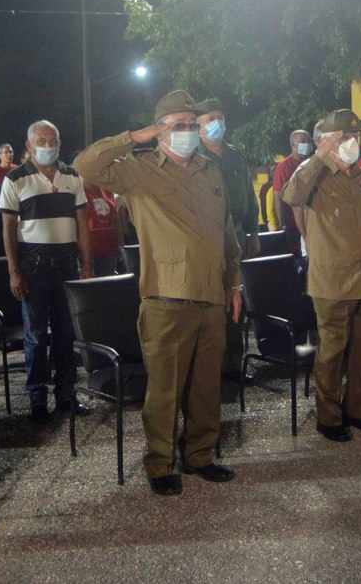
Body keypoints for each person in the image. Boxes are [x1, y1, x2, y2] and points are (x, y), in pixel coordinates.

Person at [75, 90, 242, 496]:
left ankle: (200, 454)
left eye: (191, 124)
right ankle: (160, 462)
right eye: (177, 125)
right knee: (165, 389)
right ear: (160, 129)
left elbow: (227, 233)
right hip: (166, 298)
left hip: (211, 294)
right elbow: (85, 164)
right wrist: (135, 136)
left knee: (206, 385)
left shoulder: (210, 169)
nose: (187, 131)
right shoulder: (139, 170)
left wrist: (232, 282)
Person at [282, 109, 361, 442]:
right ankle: (328, 417)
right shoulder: (312, 173)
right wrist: (320, 156)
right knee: (331, 354)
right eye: (344, 137)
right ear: (326, 141)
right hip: (332, 281)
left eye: (355, 136)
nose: (352, 142)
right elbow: (291, 195)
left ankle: (357, 410)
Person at [0, 120, 93, 421]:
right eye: (41, 141)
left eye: (52, 140)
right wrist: (14, 271)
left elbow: (82, 224)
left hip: (67, 264)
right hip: (34, 267)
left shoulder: (72, 176)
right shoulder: (15, 180)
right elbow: (8, 229)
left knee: (66, 334)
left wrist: (87, 266)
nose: (47, 146)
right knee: (36, 336)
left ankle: (66, 394)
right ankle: (37, 398)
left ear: (59, 143)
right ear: (28, 146)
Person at [196, 98, 260, 381]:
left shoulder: (235, 155)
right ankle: (211, 366)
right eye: (210, 118)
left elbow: (248, 192)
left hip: (238, 233)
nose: (217, 123)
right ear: (197, 125)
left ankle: (233, 364)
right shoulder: (193, 156)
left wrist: (254, 230)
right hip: (207, 236)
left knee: (236, 297)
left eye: (220, 117)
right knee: (211, 300)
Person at [272, 130, 313, 252]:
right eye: (303, 141)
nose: (307, 144)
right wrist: (282, 223)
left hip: (311, 222)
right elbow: (278, 196)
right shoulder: (284, 167)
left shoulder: (313, 164)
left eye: (309, 141)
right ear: (293, 145)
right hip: (292, 225)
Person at [83, 181, 123, 277]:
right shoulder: (77, 189)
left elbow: (116, 219)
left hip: (109, 250)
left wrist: (121, 245)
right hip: (87, 252)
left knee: (107, 288)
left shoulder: (106, 189)